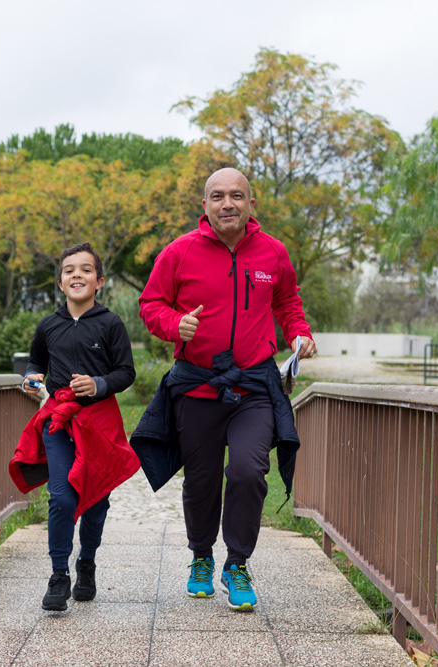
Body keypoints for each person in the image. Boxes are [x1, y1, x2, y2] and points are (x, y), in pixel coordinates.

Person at [131, 168, 315, 611]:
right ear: (205, 205)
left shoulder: (272, 252)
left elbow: (288, 302)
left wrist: (299, 334)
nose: (227, 203)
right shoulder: (179, 252)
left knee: (249, 471)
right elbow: (150, 304)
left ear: (252, 204)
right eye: (218, 196)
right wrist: (177, 324)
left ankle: (237, 563)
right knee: (200, 481)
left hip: (253, 386)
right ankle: (200, 557)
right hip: (197, 386)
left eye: (237, 195)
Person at [9, 242, 139, 611]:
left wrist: (98, 384)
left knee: (96, 499)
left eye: (85, 270)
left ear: (99, 281)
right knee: (63, 496)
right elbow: (36, 361)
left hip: (100, 424)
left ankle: (87, 563)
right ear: (61, 283)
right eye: (69, 270)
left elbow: (125, 372)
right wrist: (33, 377)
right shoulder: (48, 325)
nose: (76, 275)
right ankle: (58, 574)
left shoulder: (111, 323)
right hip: (59, 421)